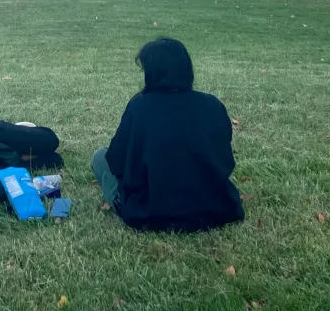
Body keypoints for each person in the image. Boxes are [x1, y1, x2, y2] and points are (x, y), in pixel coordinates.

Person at [92, 38, 245, 232]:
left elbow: (116, 161)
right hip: (216, 209)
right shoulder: (212, 105)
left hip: (151, 213)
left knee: (99, 157)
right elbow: (224, 159)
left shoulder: (140, 106)